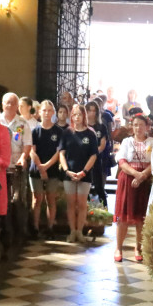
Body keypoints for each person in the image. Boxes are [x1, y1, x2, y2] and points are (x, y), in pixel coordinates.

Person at [114, 114, 153, 263]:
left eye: (141, 125)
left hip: (145, 182)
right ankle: (118, 248)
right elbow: (122, 161)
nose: (138, 128)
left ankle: (138, 248)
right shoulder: (127, 142)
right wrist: (135, 174)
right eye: (135, 125)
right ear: (132, 127)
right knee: (123, 217)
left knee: (141, 218)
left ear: (147, 127)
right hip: (128, 180)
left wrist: (143, 175)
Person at [60, 104, 100, 243]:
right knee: (71, 203)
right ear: (71, 116)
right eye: (74, 114)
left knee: (82, 203)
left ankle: (80, 231)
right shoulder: (67, 133)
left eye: (80, 114)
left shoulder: (90, 133)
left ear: (84, 116)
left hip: (85, 174)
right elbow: (61, 153)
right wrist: (66, 170)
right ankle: (72, 232)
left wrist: (83, 172)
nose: (77, 117)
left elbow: (93, 155)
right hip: (69, 173)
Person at [28, 100, 63, 238]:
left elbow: (58, 152)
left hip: (52, 169)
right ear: (40, 112)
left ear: (53, 113)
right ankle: (35, 228)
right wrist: (41, 168)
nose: (47, 113)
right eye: (44, 110)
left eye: (49, 110)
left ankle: (50, 227)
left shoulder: (58, 131)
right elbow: (31, 151)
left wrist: (47, 166)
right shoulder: (35, 131)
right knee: (37, 199)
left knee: (51, 199)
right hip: (36, 169)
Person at [85, 100, 111, 207]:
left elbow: (102, 144)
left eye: (94, 111)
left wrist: (94, 154)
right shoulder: (83, 126)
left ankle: (104, 208)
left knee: (99, 185)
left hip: (96, 159)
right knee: (84, 185)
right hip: (83, 160)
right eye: (89, 110)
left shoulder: (101, 126)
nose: (92, 113)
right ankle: (86, 209)